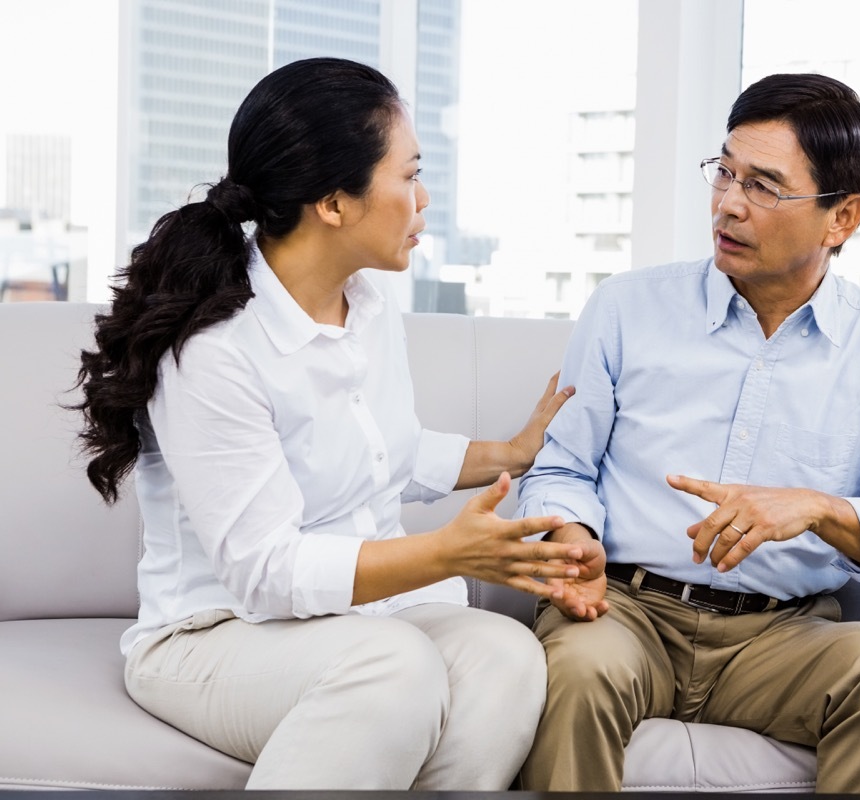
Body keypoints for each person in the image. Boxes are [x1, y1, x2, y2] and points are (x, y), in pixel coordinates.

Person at [73, 57, 585, 790]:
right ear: (335, 204)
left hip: (354, 624)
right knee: (395, 668)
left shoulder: (370, 308)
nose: (424, 197)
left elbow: (385, 456)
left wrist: (513, 452)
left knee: (505, 654)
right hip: (218, 634)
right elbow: (266, 573)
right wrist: (448, 554)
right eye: (408, 175)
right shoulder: (216, 350)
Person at [516, 72, 860, 794]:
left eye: (763, 185)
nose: (727, 203)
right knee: (579, 668)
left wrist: (818, 509)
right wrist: (571, 541)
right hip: (626, 611)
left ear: (842, 217)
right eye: (723, 171)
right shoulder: (626, 308)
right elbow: (561, 468)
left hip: (783, 636)